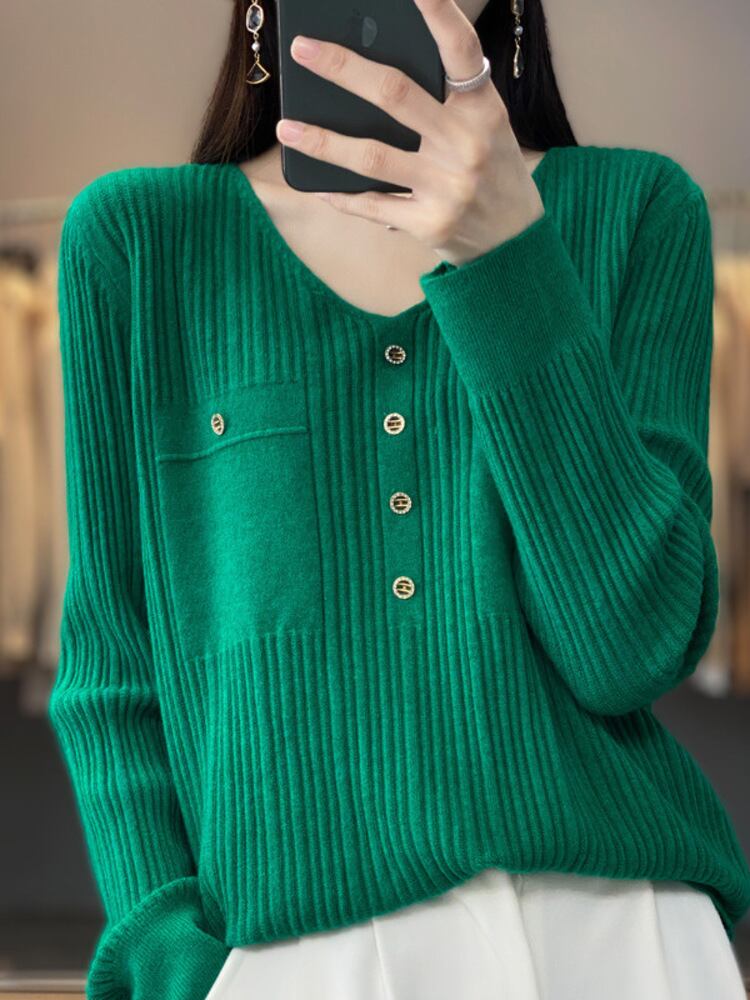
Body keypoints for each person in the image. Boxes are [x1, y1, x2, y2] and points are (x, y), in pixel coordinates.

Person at [48, 0, 750, 997]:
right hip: (295, 958)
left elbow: (629, 649)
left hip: (616, 940)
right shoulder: (138, 243)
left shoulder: (638, 210)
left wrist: (509, 255)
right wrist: (178, 970)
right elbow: (113, 674)